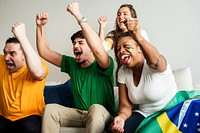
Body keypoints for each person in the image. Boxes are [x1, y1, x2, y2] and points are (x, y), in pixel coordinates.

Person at [36, 2, 115, 133]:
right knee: (50, 110)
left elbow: (99, 49)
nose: (75, 46)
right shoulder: (72, 64)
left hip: (103, 114)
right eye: (74, 43)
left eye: (81, 43)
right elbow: (45, 52)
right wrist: (40, 27)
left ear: (91, 47)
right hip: (79, 114)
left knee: (95, 108)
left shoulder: (104, 64)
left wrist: (78, 15)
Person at [109, 16, 178, 132]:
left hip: (171, 111)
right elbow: (125, 106)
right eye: (118, 49)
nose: (121, 51)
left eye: (126, 46)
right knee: (116, 129)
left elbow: (156, 60)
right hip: (145, 114)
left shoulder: (153, 64)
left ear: (140, 49)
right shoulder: (123, 72)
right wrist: (121, 118)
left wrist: (138, 38)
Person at [0, 22, 48, 133]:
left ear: (24, 56)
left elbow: (37, 73)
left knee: (29, 128)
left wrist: (21, 36)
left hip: (30, 117)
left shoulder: (39, 66)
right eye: (5, 53)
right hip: (4, 118)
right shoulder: (2, 63)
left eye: (12, 53)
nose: (7, 58)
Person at [98, 4, 149, 86]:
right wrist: (102, 27)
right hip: (123, 75)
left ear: (132, 17)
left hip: (141, 73)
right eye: (118, 14)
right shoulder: (113, 35)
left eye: (125, 14)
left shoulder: (141, 33)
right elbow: (101, 49)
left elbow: (146, 54)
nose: (121, 16)